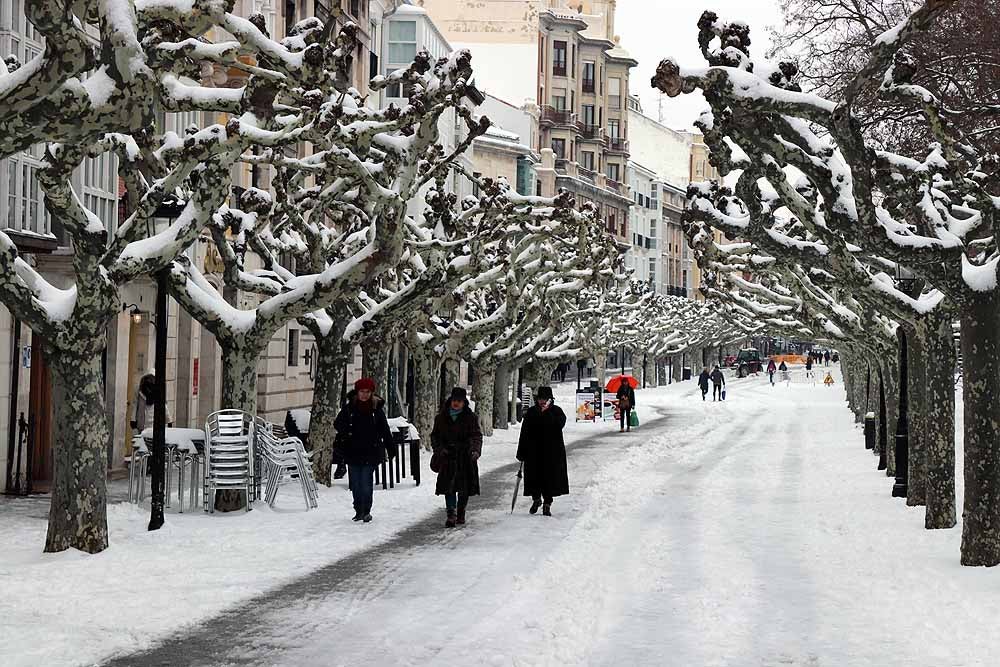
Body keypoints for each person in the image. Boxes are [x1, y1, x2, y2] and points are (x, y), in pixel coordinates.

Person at [333, 377, 394, 523]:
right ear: (357, 392)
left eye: (367, 392)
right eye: (362, 391)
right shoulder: (349, 409)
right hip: (352, 451)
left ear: (372, 393)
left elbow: (385, 430)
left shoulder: (376, 410)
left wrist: (391, 448)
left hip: (371, 452)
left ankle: (366, 510)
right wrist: (347, 432)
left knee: (366, 482)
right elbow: (338, 423)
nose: (364, 395)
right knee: (355, 483)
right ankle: (358, 509)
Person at [431, 387, 483, 528]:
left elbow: (476, 435)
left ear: (464, 402)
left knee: (463, 488)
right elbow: (435, 436)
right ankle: (451, 513)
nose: (456, 403)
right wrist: (440, 449)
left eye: (459, 401)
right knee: (449, 487)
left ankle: (461, 511)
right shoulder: (441, 417)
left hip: (465, 457)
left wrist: (475, 450)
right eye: (454, 400)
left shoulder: (470, 418)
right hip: (448, 457)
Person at [516, 386, 568, 517]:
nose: (542, 402)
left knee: (549, 479)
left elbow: (558, 425)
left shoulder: (557, 411)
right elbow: (524, 433)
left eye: (545, 399)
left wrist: (547, 413)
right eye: (540, 399)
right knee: (533, 478)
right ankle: (536, 499)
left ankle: (547, 503)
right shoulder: (531, 413)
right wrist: (521, 452)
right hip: (533, 452)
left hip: (552, 453)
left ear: (550, 399)